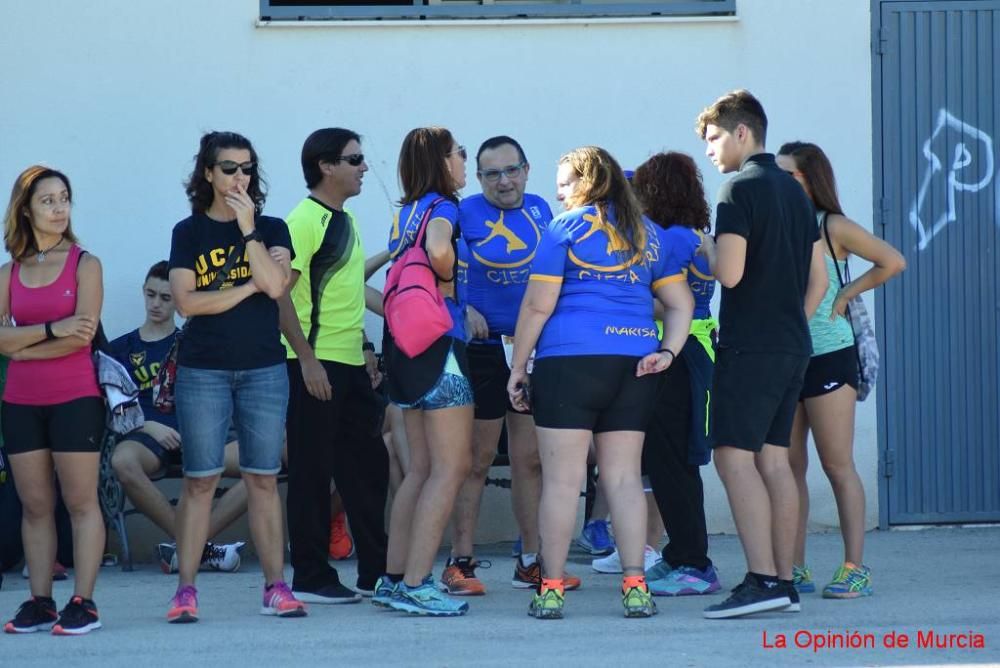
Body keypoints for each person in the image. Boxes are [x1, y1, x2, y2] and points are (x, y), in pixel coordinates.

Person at [507, 146, 694, 620]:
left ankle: (550, 590)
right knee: (626, 479)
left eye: (565, 182)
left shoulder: (563, 228)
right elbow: (681, 303)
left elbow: (536, 306)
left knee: (563, 482)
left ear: (588, 183)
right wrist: (667, 353)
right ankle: (636, 586)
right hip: (632, 362)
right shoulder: (649, 234)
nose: (558, 192)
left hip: (569, 361)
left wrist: (518, 367)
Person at [694, 90, 828, 619]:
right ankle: (785, 580)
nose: (709, 150)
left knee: (732, 456)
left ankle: (761, 579)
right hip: (793, 344)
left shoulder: (736, 190)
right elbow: (818, 278)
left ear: (741, 132)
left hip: (751, 346)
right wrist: (788, 318)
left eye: (713, 138)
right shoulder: (797, 193)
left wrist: (705, 249)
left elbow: (729, 273)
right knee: (776, 461)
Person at [165, 131, 305, 622]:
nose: (239, 177)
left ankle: (275, 587)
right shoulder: (189, 232)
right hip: (203, 370)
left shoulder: (271, 226)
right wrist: (251, 285)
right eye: (228, 168)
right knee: (199, 480)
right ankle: (185, 591)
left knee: (263, 479)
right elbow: (187, 302)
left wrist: (250, 232)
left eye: (246, 168)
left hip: (264, 369)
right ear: (208, 173)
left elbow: (276, 286)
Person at [442, 135, 581, 595]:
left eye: (511, 170)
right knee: (477, 459)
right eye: (492, 174)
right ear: (479, 178)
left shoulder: (543, 209)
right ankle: (460, 560)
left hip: (530, 350)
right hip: (481, 351)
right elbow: (434, 267)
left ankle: (530, 560)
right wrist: (460, 310)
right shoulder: (462, 214)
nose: (504, 181)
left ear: (526, 169)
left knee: (529, 461)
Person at [776, 141, 905, 599]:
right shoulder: (781, 222)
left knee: (837, 464)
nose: (781, 181)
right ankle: (794, 567)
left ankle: (855, 567)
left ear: (811, 178)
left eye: (789, 174)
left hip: (830, 356)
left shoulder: (833, 226)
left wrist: (846, 295)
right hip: (787, 357)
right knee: (789, 466)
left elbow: (892, 261)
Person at [278, 127, 389, 604]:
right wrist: (307, 361)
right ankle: (310, 574)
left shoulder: (345, 218)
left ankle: (376, 573)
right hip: (315, 364)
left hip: (348, 364)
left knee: (368, 467)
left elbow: (347, 285)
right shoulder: (304, 220)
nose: (364, 166)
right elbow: (280, 293)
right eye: (354, 158)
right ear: (326, 166)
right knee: (311, 471)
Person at [0, 166, 106, 635]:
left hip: (74, 395)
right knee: (35, 505)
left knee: (81, 502)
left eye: (65, 198)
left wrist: (22, 342)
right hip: (21, 398)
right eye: (48, 200)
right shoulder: (9, 272)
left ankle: (83, 602)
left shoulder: (85, 264)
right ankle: (40, 601)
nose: (60, 208)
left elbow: (79, 338)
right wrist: (48, 329)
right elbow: (0, 343)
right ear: (26, 209)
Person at [375, 127, 474, 616]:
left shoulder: (404, 214)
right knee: (451, 468)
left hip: (403, 349)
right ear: (441, 161)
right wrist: (452, 282)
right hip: (441, 347)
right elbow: (439, 251)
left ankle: (393, 579)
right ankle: (418, 583)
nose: (463, 161)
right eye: (459, 153)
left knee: (418, 470)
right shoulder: (445, 208)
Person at [108, 261, 246, 574]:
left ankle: (189, 547)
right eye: (151, 295)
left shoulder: (195, 344)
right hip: (147, 436)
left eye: (166, 298)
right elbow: (112, 406)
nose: (156, 304)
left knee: (262, 463)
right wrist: (147, 424)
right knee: (122, 461)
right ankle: (198, 548)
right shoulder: (120, 349)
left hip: (200, 435)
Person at [631, 151, 723, 596]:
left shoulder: (667, 240)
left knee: (673, 461)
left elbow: (667, 301)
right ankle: (678, 554)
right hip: (696, 350)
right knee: (670, 460)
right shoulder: (697, 236)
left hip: (676, 353)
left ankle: (695, 562)